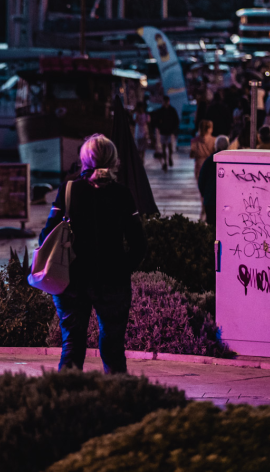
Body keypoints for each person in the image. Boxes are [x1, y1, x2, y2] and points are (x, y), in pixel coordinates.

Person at [40, 134, 145, 375]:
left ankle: (65, 403)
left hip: (72, 282)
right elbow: (139, 245)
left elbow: (46, 236)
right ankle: (119, 404)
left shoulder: (68, 191)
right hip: (113, 283)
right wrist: (122, 269)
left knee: (72, 347)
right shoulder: (122, 194)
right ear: (114, 160)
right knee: (113, 349)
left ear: (84, 160)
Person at [198, 136, 230, 231]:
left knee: (212, 228)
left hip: (210, 200)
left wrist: (205, 195)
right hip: (226, 202)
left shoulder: (209, 160)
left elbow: (201, 180)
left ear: (216, 146)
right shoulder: (230, 160)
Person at [157, 97, 180, 171]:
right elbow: (157, 120)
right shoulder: (161, 110)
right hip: (164, 131)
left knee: (169, 146)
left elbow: (176, 120)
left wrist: (174, 129)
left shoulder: (171, 110)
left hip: (169, 131)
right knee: (164, 146)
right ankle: (166, 160)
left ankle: (169, 157)